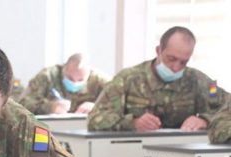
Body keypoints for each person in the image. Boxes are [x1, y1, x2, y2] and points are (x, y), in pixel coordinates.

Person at [88, 26, 228, 132]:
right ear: (158, 51)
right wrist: (133, 123)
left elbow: (227, 106)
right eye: (171, 59)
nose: (176, 67)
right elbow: (95, 119)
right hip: (134, 153)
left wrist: (205, 120)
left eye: (183, 62)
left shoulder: (198, 80)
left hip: (182, 154)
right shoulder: (127, 79)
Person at [18, 53, 109, 115]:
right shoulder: (48, 76)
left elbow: (116, 105)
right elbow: (22, 104)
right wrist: (50, 107)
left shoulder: (99, 80)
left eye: (80, 80)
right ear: (64, 68)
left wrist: (97, 107)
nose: (74, 83)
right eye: (70, 78)